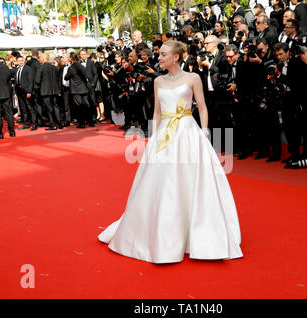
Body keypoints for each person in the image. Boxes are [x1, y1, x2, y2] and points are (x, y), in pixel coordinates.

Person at [98, 40, 243, 264]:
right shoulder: (157, 81)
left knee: (190, 181)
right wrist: (154, 136)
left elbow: (202, 106)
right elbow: (157, 112)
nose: (159, 58)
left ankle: (196, 232)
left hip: (187, 131)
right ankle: (163, 233)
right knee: (162, 182)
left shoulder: (193, 78)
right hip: (165, 134)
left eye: (164, 55)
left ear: (176, 57)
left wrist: (204, 130)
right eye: (160, 54)